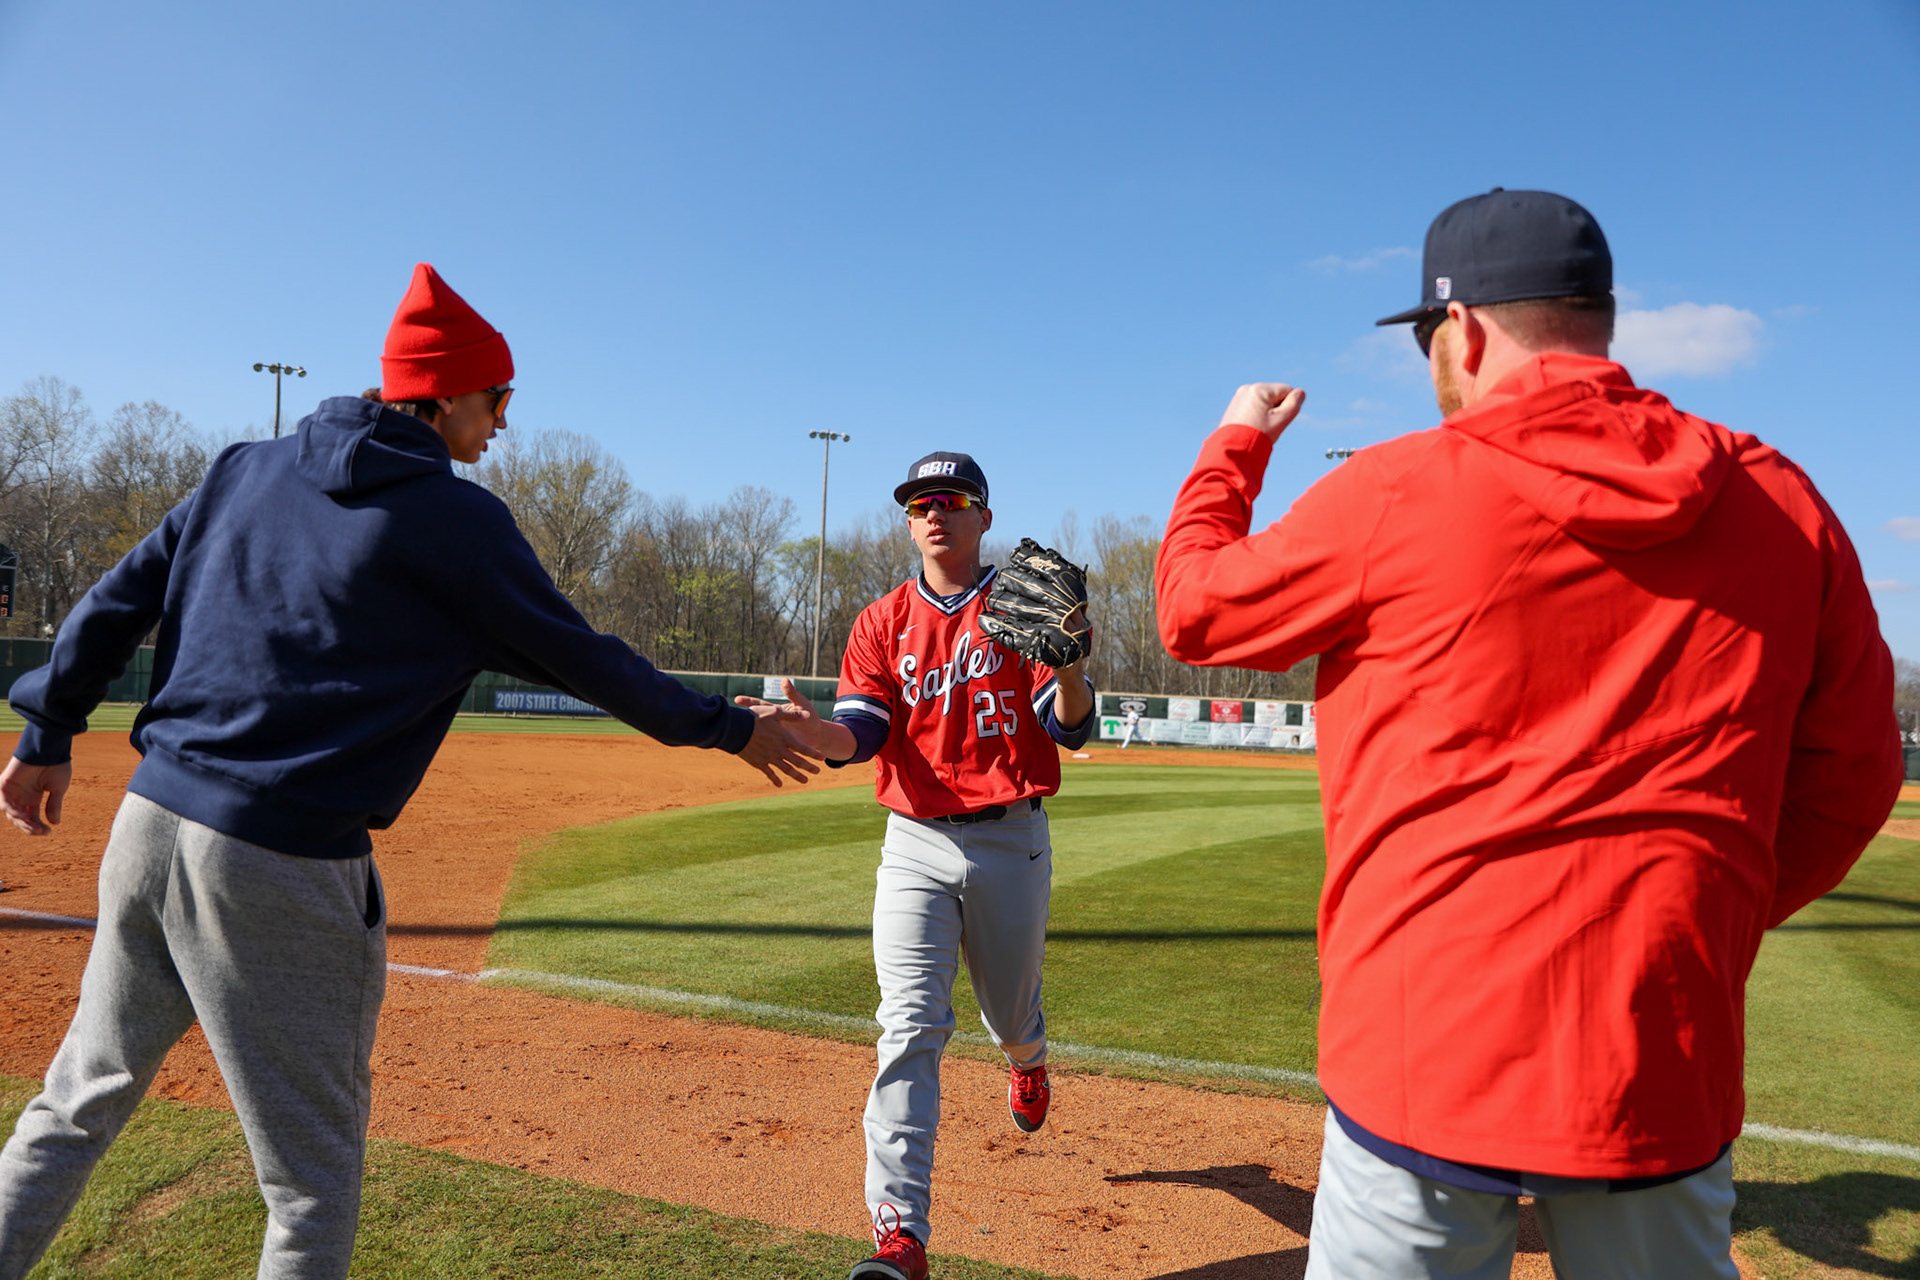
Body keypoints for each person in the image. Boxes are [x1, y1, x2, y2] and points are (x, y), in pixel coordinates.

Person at [0, 262, 822, 1280]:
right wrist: (729, 728)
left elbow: (116, 599)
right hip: (278, 862)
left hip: (148, 822)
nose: (505, 424)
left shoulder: (242, 470)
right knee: (309, 1182)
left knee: (75, 1102)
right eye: (498, 399)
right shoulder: (454, 522)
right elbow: (587, 656)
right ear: (442, 395)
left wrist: (46, 729)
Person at [1155, 190, 1901, 1279]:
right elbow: (1856, 779)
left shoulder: (1394, 491)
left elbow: (1191, 605)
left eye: (1425, 339)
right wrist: (1697, 913)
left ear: (1461, 330)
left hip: (1422, 1055)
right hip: (1661, 1061)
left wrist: (1234, 445)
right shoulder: (1783, 501)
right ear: (1598, 318)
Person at [741, 452, 1095, 1280]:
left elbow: (1069, 726)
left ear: (983, 517)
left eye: (953, 499)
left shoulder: (1021, 608)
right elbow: (857, 733)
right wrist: (810, 731)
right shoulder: (881, 621)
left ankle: (1026, 1058)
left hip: (1012, 840)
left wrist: (1073, 663)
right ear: (908, 521)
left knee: (1009, 1014)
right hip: (914, 846)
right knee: (907, 1029)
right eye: (919, 502)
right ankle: (899, 1235)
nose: (935, 512)